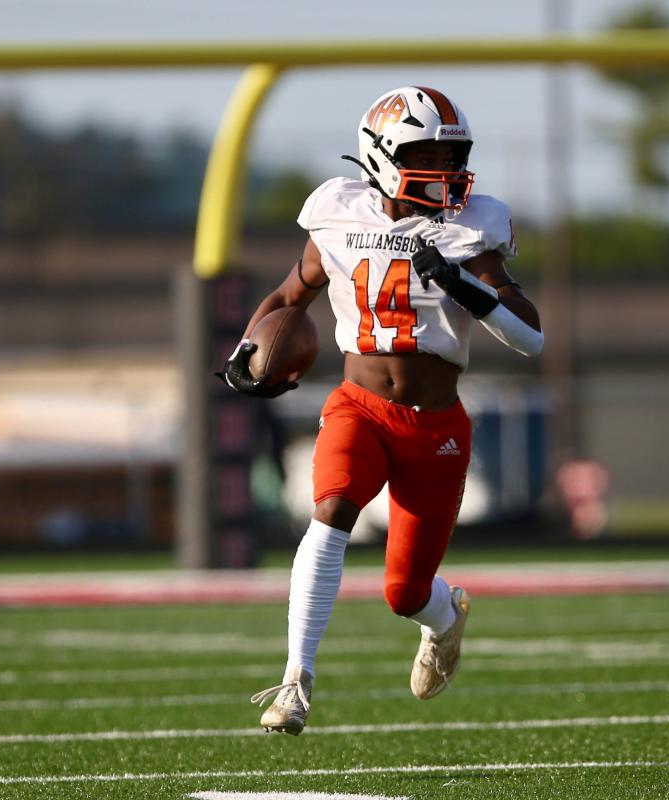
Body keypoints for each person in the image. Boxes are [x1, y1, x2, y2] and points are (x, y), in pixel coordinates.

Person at [222, 86, 543, 735]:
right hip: (360, 406)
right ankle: (295, 680)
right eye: (427, 155)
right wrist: (247, 352)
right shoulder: (337, 212)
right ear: (383, 155)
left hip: (435, 426)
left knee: (405, 592)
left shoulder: (471, 226)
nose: (444, 170)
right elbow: (289, 297)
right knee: (332, 508)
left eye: (451, 157)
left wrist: (459, 282)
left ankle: (445, 619)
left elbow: (531, 336)